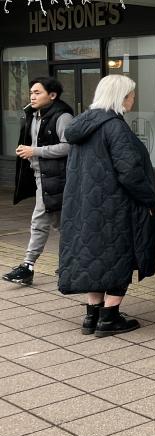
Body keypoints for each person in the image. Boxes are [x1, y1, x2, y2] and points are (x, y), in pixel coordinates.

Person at [58, 75, 155, 336]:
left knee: (97, 257)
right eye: (131, 95)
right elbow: (129, 172)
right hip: (116, 206)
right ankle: (110, 317)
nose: (133, 99)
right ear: (121, 96)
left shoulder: (84, 125)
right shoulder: (115, 126)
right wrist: (149, 200)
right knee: (119, 256)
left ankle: (92, 315)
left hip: (85, 206)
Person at [5, 77, 74, 286]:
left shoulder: (63, 116)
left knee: (40, 221)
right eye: (31, 93)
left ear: (52, 95)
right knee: (61, 224)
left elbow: (69, 146)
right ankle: (70, 264)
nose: (32, 96)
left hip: (56, 178)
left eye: (37, 92)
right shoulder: (33, 114)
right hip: (40, 176)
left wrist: (34, 151)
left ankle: (28, 266)